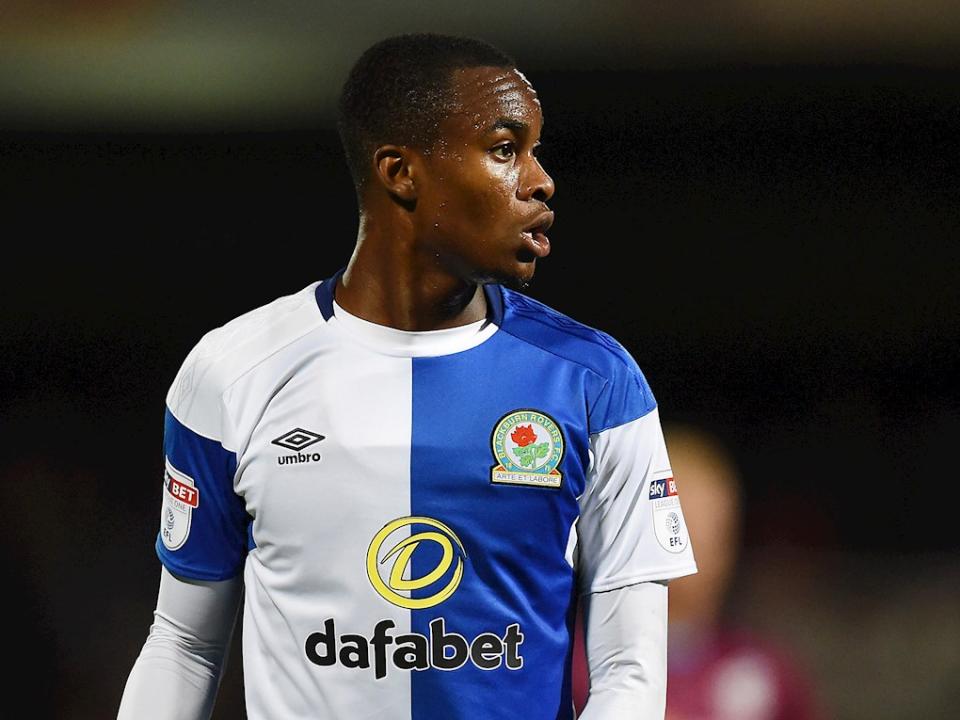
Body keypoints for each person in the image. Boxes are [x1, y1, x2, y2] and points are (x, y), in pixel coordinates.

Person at [117, 32, 697, 720]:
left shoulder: (596, 383)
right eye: (505, 149)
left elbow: (630, 671)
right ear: (400, 172)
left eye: (534, 151)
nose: (540, 180)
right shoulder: (233, 372)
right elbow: (183, 644)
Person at [572, 425, 822, 719]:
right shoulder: (568, 665)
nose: (696, 548)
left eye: (712, 529)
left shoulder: (767, 673)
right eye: (682, 524)